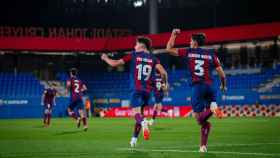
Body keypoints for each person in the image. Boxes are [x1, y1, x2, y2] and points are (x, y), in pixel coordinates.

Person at [101, 36, 168, 148]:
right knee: (140, 115)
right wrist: (165, 84)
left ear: (141, 46)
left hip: (136, 90)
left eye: (136, 44)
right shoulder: (153, 58)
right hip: (147, 92)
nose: (134, 46)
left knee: (136, 114)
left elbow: (115, 63)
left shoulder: (133, 55)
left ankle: (144, 123)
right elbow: (164, 73)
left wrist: (105, 58)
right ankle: (134, 139)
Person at [166, 29, 226, 152]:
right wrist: (223, 85)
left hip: (198, 87)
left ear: (194, 43)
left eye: (190, 40)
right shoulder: (211, 54)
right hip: (210, 87)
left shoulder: (189, 52)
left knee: (199, 119)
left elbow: (169, 49)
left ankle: (212, 109)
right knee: (205, 122)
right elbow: (222, 74)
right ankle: (203, 146)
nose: (189, 42)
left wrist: (173, 35)